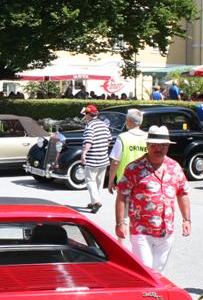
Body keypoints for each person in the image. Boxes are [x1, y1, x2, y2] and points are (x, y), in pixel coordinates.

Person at [114, 126, 191, 273]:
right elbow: (122, 196)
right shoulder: (134, 168)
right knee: (145, 271)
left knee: (158, 273)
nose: (159, 148)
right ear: (148, 145)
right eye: (154, 144)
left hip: (166, 231)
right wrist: (120, 223)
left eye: (163, 145)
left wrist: (187, 220)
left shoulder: (174, 167)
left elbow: (183, 193)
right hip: (141, 231)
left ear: (168, 146)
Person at [107, 108, 148, 193]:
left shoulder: (122, 137)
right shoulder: (148, 137)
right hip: (144, 179)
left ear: (129, 121)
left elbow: (115, 162)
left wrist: (111, 181)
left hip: (125, 181)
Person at [80, 104, 111, 213]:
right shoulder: (104, 125)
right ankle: (95, 201)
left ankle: (96, 201)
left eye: (85, 114)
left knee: (90, 180)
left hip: (92, 158)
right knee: (99, 181)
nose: (85, 116)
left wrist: (84, 154)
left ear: (89, 115)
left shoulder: (90, 126)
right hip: (103, 158)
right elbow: (108, 140)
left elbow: (88, 141)